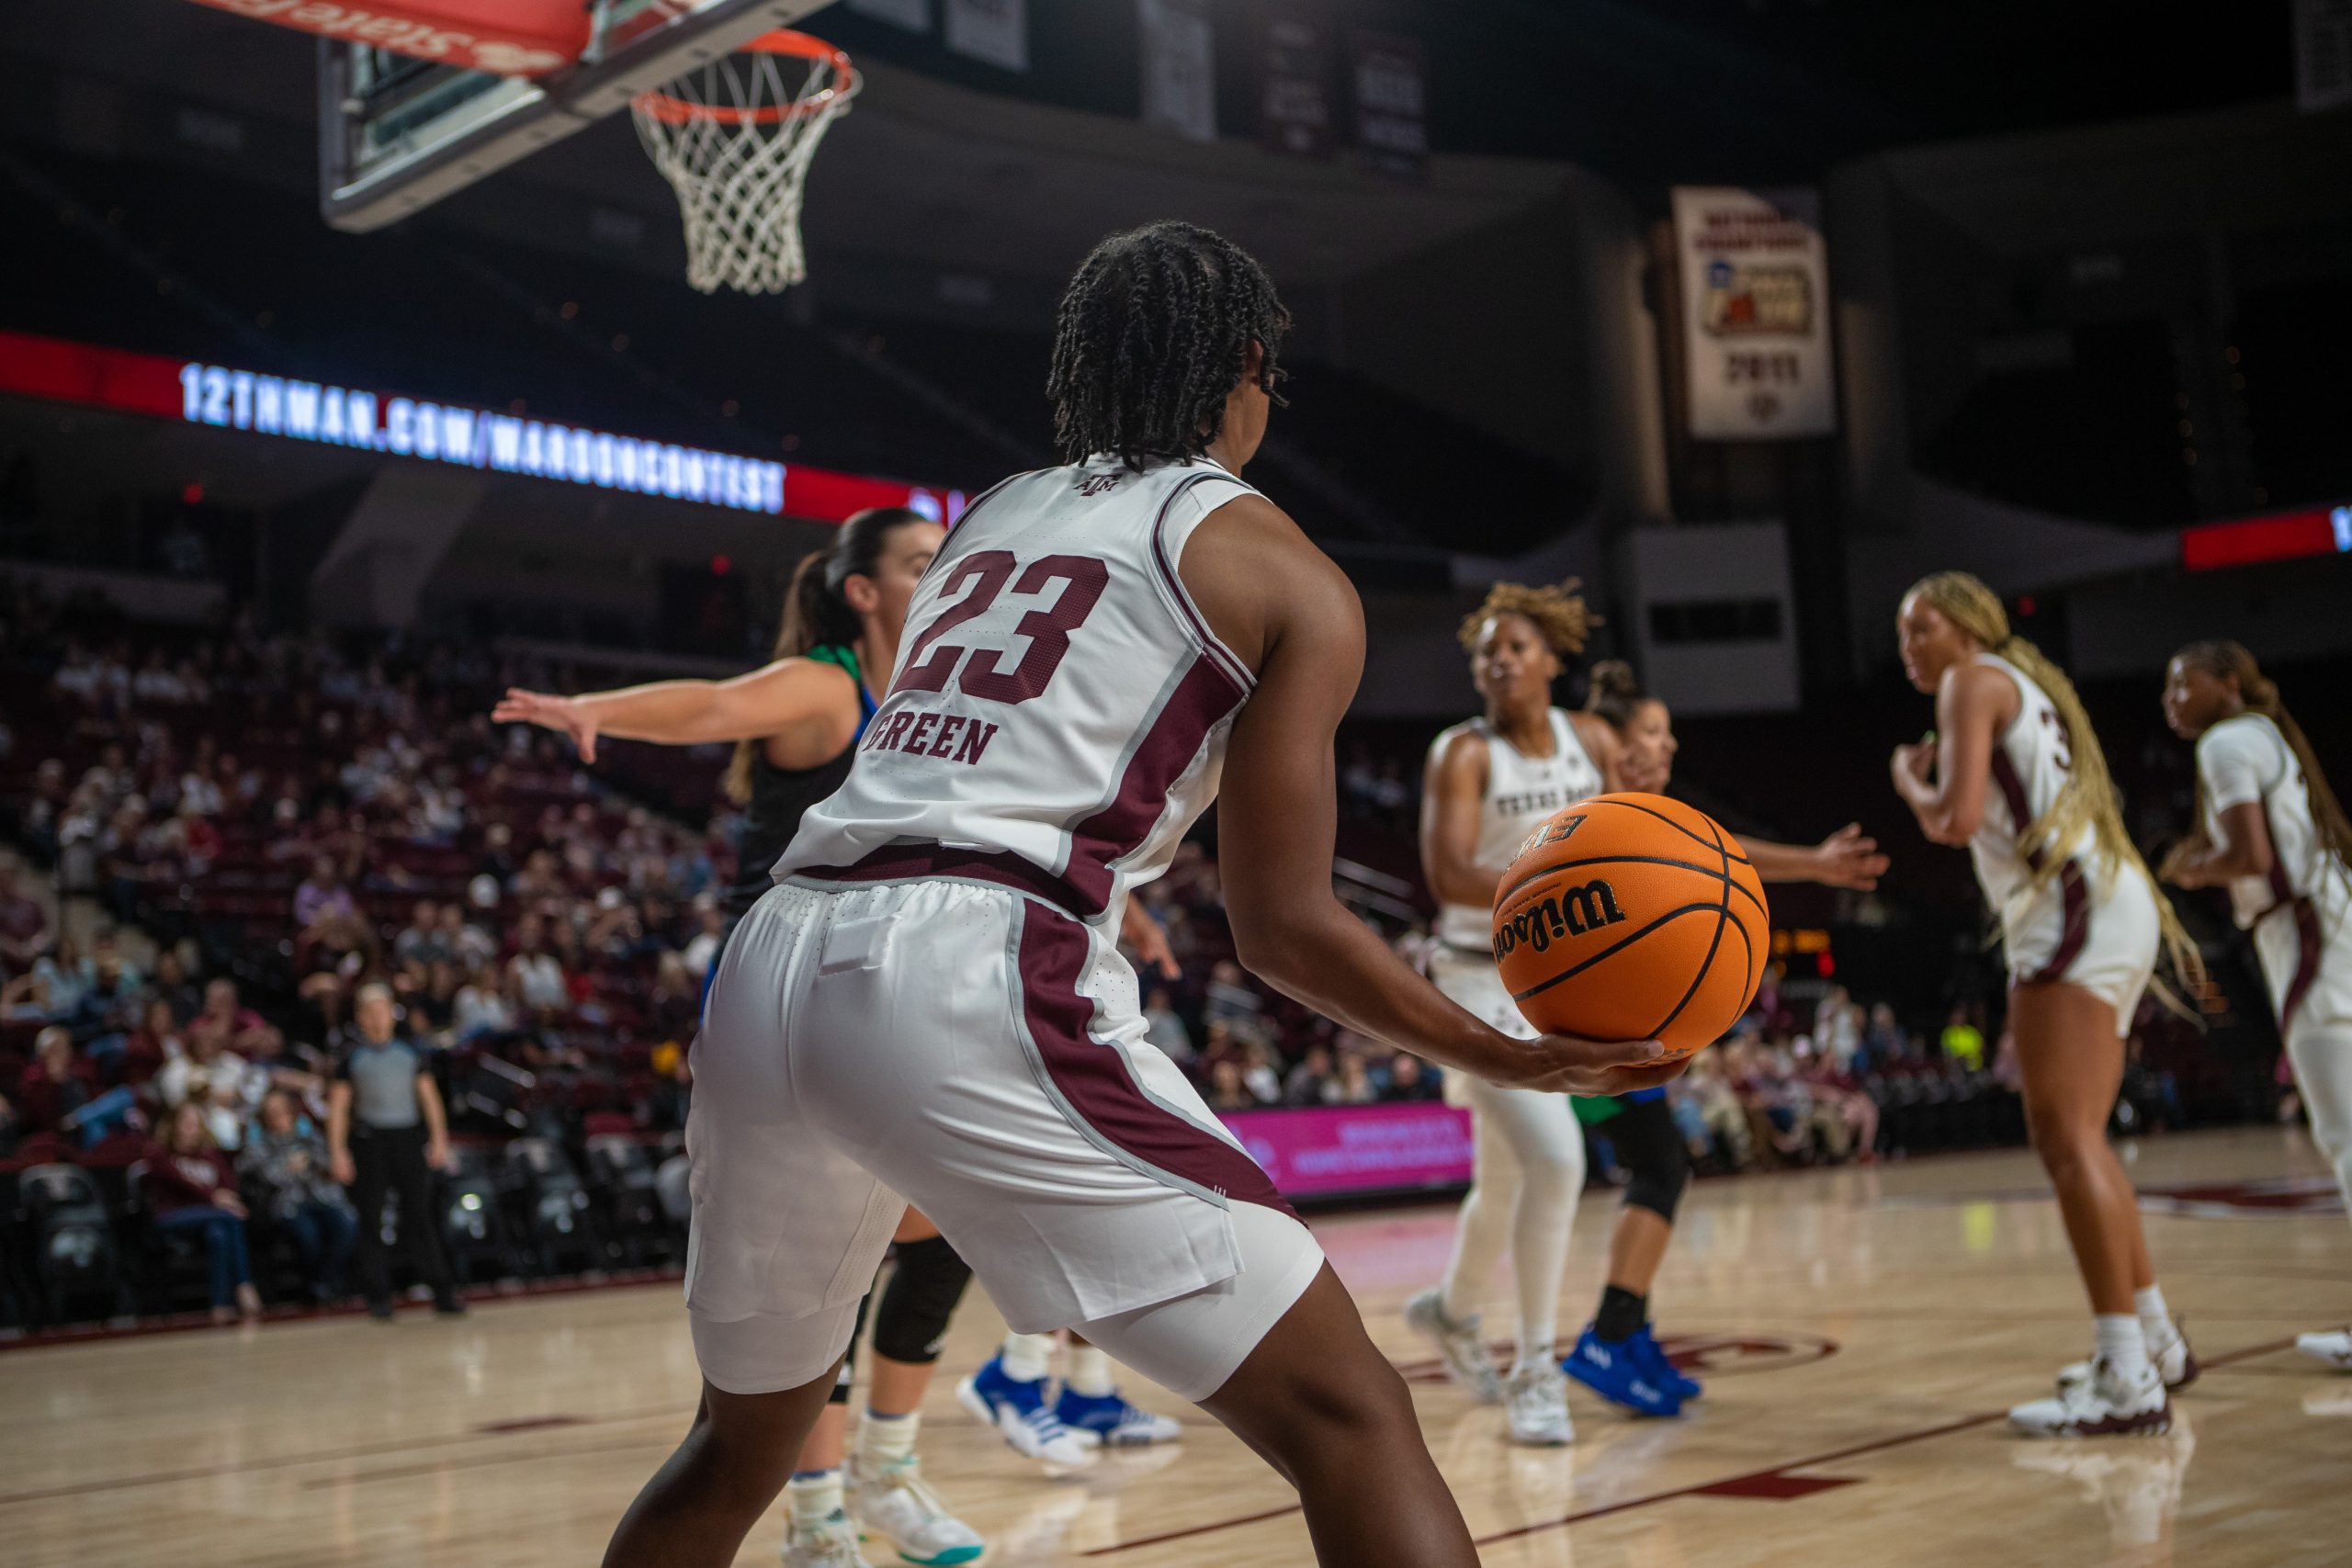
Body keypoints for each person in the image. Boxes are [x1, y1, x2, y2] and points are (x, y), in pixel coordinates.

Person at [597, 220, 1679, 1568]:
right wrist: (1499, 1048)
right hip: (965, 961)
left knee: (731, 1448)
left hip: (772, 954)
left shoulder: (991, 510)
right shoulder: (1282, 566)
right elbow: (1283, 926)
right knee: (1350, 1413)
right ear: (1245, 368)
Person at [500, 509, 998, 1567]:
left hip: (891, 992)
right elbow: (719, 705)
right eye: (917, 564)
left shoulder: (943, 697)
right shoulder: (827, 685)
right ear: (861, 592)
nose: (939, 576)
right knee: (827, 1259)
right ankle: (819, 1517)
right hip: (791, 999)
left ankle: (886, 1470)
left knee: (943, 1220)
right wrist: (598, 709)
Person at [1890, 570, 2199, 1437]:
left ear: (1967, 626)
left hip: (2070, 909)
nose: (1911, 647)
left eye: (1924, 627)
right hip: (2107, 897)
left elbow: (1952, 819)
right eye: (1904, 635)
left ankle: (2127, 1373)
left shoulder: (1970, 680)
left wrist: (1908, 781)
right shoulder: (2018, 681)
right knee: (2083, 1138)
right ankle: (2153, 1339)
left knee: (2065, 1137)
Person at [1555, 660, 1889, 1416]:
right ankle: (1608, 1334)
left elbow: (1723, 849)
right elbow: (1718, 850)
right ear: (1612, 742)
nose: (1666, 747)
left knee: (1659, 1165)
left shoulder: (1639, 814)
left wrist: (1813, 864)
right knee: (1660, 1167)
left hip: (1620, 1024)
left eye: (1669, 734)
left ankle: (1632, 1332)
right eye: (1651, 733)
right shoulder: (1600, 815)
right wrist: (1815, 863)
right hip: (1586, 1026)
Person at [1397, 579, 1622, 1445]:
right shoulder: (1465, 751)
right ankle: (1536, 1367)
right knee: (1558, 1161)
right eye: (1486, 650)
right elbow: (1450, 874)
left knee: (1506, 1178)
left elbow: (1623, 848)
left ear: (1554, 659)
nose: (1497, 661)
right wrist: (1569, 894)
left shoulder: (1588, 739)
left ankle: (1453, 1313)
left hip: (1557, 977)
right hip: (1473, 981)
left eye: (1515, 647)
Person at [2158, 639, 2352, 1372]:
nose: (2171, 697)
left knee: (2343, 1131)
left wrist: (2188, 865)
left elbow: (2252, 856)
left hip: (2308, 937)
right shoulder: (2264, 734)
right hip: (2327, 922)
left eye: (2184, 682)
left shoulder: (2228, 740)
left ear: (2227, 683)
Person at [326, 982, 464, 1321]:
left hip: (407, 1139)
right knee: (371, 1220)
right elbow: (339, 1107)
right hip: (370, 1142)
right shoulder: (351, 1057)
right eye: (369, 1012)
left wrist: (440, 1139)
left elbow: (429, 1099)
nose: (376, 1017)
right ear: (360, 1017)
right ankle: (378, 1297)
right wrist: (337, 1152)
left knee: (420, 1216)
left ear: (391, 1013)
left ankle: (442, 1291)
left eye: (382, 1010)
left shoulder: (411, 1053)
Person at [144, 1100, 264, 1325]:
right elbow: (182, 1183)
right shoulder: (160, 1153)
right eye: (187, 1124)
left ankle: (218, 1305)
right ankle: (244, 1285)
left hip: (210, 1220)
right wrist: (214, 1198)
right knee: (228, 1216)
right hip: (172, 1216)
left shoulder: (209, 1156)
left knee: (218, 1235)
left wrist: (225, 1198)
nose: (192, 1129)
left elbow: (229, 1184)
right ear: (173, 1125)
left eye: (197, 1124)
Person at [242, 1086, 359, 1303]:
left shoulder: (310, 1138)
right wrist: (289, 1167)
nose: (277, 1117)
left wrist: (320, 1163)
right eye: (271, 1112)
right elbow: (267, 1178)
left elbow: (331, 1167)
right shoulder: (259, 1146)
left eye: (282, 1111)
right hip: (287, 1205)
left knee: (347, 1225)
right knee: (308, 1236)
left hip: (322, 1198)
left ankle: (328, 1281)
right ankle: (320, 1286)